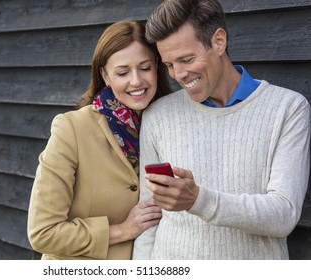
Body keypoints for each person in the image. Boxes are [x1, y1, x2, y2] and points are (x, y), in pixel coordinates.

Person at [133, 0, 311, 260]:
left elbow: (284, 214)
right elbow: (149, 215)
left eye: (186, 59)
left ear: (218, 42)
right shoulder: (158, 115)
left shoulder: (287, 109)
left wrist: (198, 200)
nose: (178, 74)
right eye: (169, 65)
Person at [27, 19, 172, 260]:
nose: (136, 81)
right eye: (123, 72)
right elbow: (43, 233)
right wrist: (123, 230)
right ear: (105, 75)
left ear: (157, 66)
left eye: (145, 68)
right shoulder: (71, 129)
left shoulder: (170, 124)